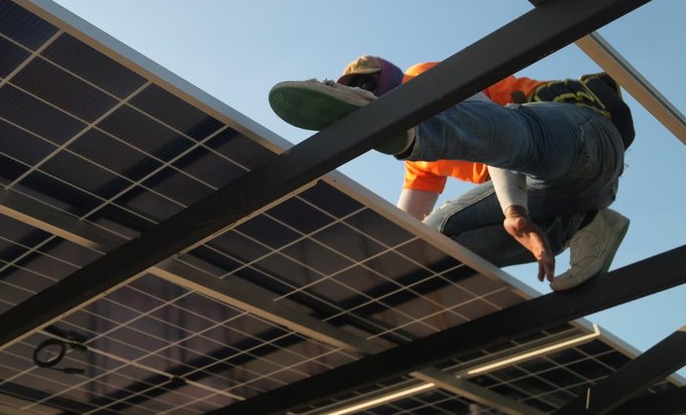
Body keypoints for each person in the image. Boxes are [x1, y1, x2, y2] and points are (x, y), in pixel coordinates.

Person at [268, 55, 633, 290]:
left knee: (508, 139)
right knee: (435, 241)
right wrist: (364, 274)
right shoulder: (419, 164)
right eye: (361, 91)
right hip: (577, 191)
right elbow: (404, 231)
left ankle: (403, 125)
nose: (368, 89)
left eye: (369, 85)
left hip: (575, 131)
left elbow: (497, 132)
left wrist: (513, 210)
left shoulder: (420, 77)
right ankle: (587, 227)